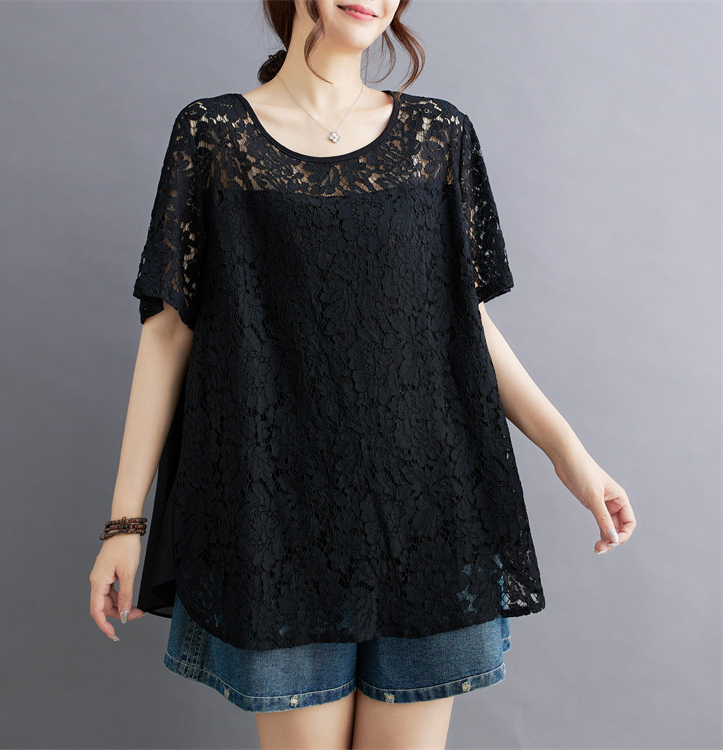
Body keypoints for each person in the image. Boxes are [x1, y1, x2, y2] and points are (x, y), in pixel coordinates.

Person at [89, 1, 637, 747]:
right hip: (275, 521)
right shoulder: (213, 135)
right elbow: (167, 332)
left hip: (429, 517)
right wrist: (124, 523)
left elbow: (465, 324)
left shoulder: (438, 136)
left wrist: (572, 456)